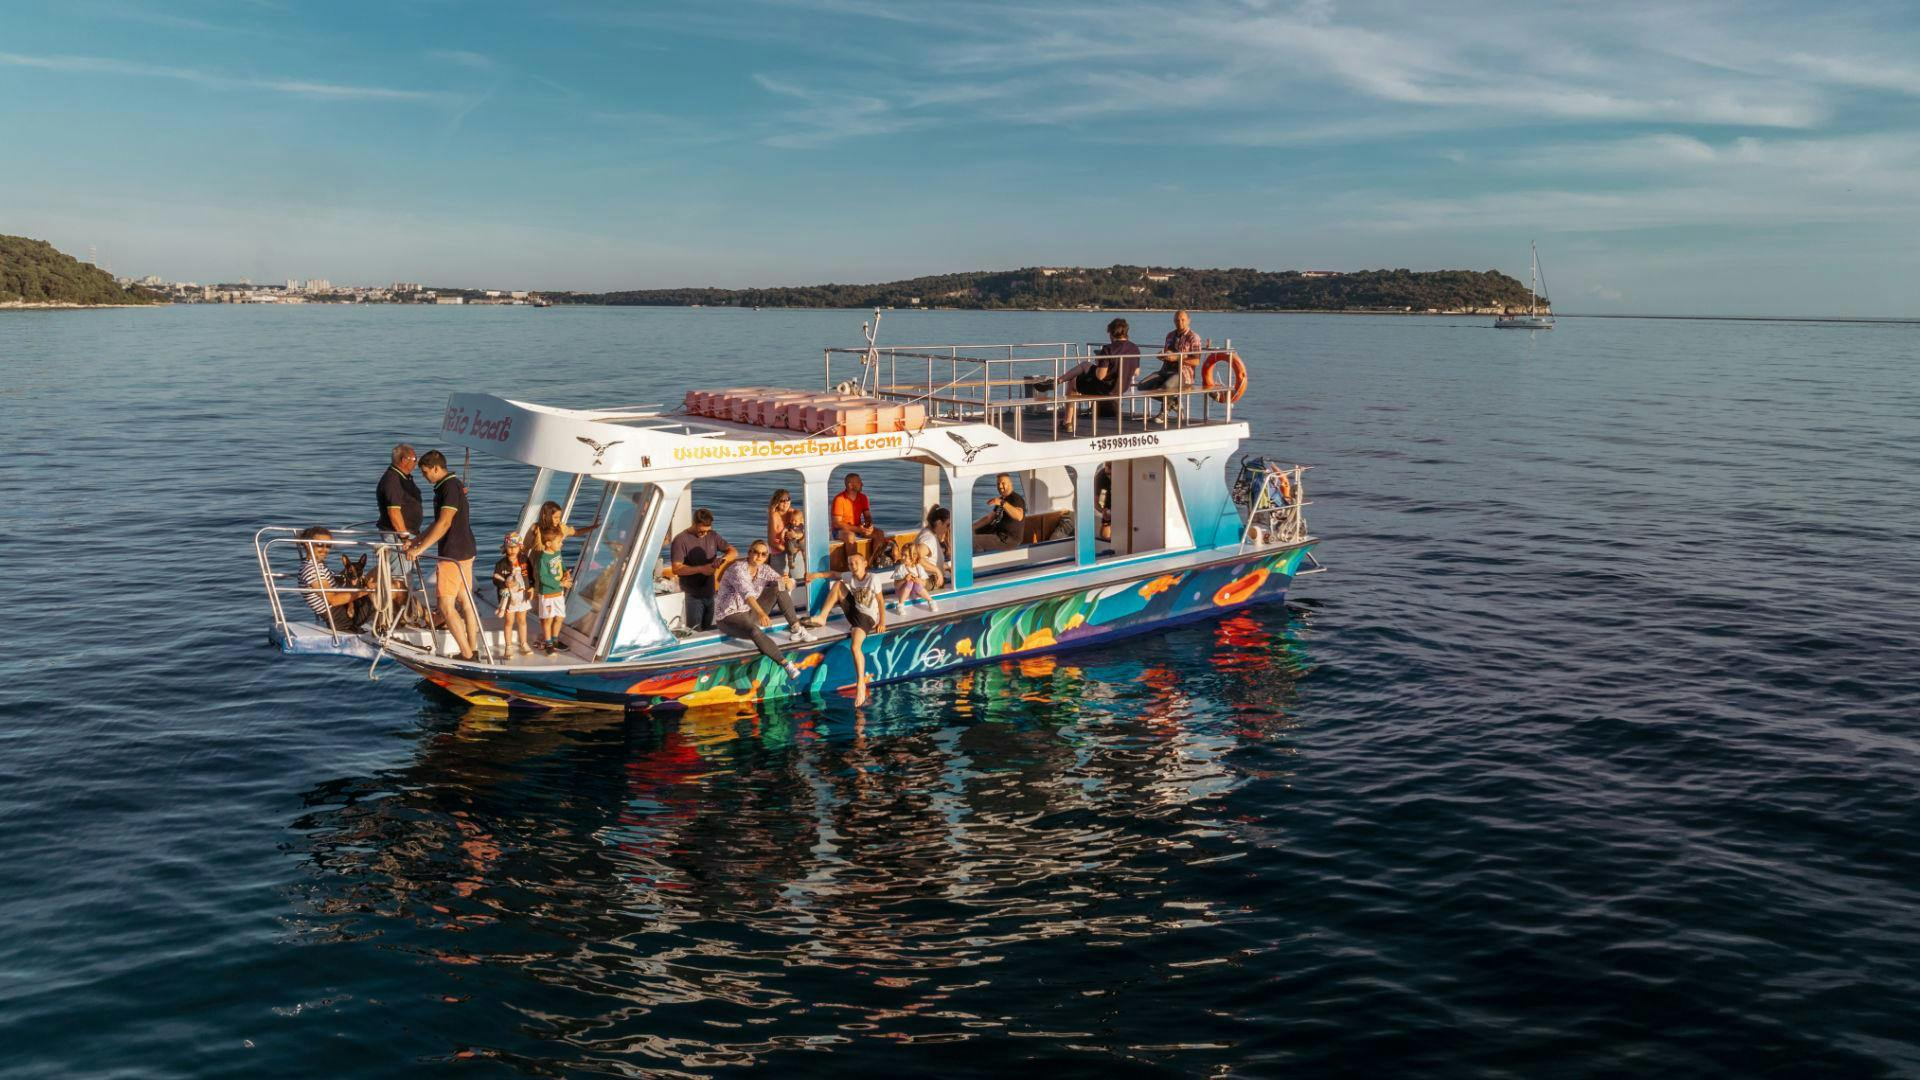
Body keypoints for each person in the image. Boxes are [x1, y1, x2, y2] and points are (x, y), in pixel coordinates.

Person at [401, 450, 480, 661]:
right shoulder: (449, 486)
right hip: (466, 550)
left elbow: (445, 523)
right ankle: (472, 650)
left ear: (436, 468)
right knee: (465, 601)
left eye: (426, 472)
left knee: (445, 606)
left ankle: (466, 654)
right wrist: (417, 541)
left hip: (452, 554)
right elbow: (438, 523)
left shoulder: (448, 488)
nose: (425, 477)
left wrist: (419, 550)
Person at [714, 540, 814, 680]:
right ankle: (785, 664)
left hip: (748, 612)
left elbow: (787, 584)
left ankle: (797, 629)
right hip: (728, 617)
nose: (759, 556)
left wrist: (787, 582)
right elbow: (747, 595)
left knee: (778, 588)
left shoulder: (764, 569)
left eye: (763, 554)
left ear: (766, 556)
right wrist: (761, 613)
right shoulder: (738, 569)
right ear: (749, 553)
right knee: (755, 631)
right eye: (755, 552)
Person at [802, 549, 887, 706]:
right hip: (854, 610)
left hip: (867, 618)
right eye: (850, 563)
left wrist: (882, 621)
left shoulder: (872, 579)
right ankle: (822, 617)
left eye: (856, 563)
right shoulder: (850, 577)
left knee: (855, 647)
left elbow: (881, 601)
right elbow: (834, 575)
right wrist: (816, 575)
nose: (853, 566)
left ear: (865, 564)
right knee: (838, 585)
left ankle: (860, 684)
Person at [1057, 318, 1138, 434]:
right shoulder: (1134, 348)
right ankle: (1060, 379)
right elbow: (1136, 372)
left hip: (1106, 389)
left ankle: (1067, 422)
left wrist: (1098, 364)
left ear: (1111, 333)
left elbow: (1100, 376)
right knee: (1085, 365)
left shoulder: (1108, 349)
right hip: (1122, 387)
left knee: (1073, 382)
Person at [664, 508, 734, 631]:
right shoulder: (680, 540)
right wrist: (701, 569)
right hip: (692, 596)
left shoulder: (713, 535)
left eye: (707, 531)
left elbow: (733, 552)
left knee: (708, 631)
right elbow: (676, 569)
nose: (705, 534)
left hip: (710, 593)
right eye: (702, 531)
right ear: (694, 523)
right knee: (695, 632)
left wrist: (722, 560)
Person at [296, 526, 372, 631]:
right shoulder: (312, 570)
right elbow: (334, 600)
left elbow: (336, 582)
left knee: (378, 574)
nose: (325, 549)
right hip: (343, 620)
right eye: (319, 545)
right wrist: (368, 591)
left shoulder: (319, 566)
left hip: (344, 611)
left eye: (328, 546)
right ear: (307, 545)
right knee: (394, 588)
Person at [1138, 309, 1204, 420]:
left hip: (1183, 373)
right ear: (1174, 321)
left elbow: (1196, 361)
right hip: (1165, 370)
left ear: (1189, 321)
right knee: (1142, 386)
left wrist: (1178, 358)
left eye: (1183, 320)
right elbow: (1168, 354)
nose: (1180, 322)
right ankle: (1174, 402)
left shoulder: (1193, 337)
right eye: (1177, 320)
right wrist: (1162, 356)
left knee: (1166, 387)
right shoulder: (1170, 335)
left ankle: (1164, 412)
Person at [492, 533, 533, 659]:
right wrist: (504, 583)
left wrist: (532, 587)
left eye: (515, 546)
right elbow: (495, 579)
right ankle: (508, 646)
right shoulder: (501, 564)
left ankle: (523, 643)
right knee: (509, 621)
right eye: (509, 546)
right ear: (505, 547)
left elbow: (531, 575)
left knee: (522, 621)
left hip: (522, 596)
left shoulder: (525, 560)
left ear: (520, 547)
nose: (512, 549)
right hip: (509, 598)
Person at [531, 524, 571, 653]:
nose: (561, 544)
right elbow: (543, 578)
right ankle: (548, 643)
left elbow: (561, 564)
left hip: (558, 594)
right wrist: (561, 584)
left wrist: (565, 572)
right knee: (547, 619)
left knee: (559, 617)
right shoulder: (543, 559)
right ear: (548, 543)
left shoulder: (557, 553)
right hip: (547, 595)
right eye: (559, 542)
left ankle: (555, 640)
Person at [831, 473, 889, 553]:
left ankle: (874, 561)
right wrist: (858, 529)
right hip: (840, 531)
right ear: (850, 485)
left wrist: (869, 526)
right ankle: (852, 563)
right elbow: (837, 523)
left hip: (858, 529)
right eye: (859, 482)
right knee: (850, 536)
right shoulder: (839, 499)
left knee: (879, 533)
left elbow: (867, 516)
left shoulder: (863, 497)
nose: (862, 484)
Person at [972, 473, 1027, 551]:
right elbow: (989, 518)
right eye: (998, 484)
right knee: (968, 535)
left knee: (972, 541)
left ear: (1010, 484)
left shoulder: (1016, 499)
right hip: (997, 533)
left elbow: (1019, 516)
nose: (1000, 486)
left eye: (1003, 483)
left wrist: (1002, 503)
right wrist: (971, 527)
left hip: (1008, 540)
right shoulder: (1003, 499)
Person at [376, 444, 421, 538]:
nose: (416, 462)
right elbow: (394, 511)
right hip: (397, 535)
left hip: (410, 533)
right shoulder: (392, 480)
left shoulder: (403, 477)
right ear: (404, 460)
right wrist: (404, 537)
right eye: (415, 459)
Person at [521, 499, 598, 554]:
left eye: (559, 517)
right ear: (545, 516)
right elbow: (525, 547)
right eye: (555, 517)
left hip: (554, 565)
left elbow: (576, 532)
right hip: (538, 567)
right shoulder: (535, 528)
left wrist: (593, 527)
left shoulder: (561, 527)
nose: (558, 520)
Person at [893, 543, 941, 613]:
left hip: (915, 592)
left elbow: (924, 583)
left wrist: (919, 581)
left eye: (905, 555)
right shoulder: (900, 568)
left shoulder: (918, 567)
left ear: (913, 556)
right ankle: (900, 604)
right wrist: (904, 580)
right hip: (902, 592)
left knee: (917, 584)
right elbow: (896, 585)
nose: (902, 557)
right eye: (902, 555)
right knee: (909, 582)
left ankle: (931, 601)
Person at [766, 489, 805, 574]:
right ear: (777, 502)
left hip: (795, 550)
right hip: (779, 553)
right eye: (782, 501)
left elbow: (803, 532)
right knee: (781, 584)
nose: (786, 502)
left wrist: (796, 536)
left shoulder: (794, 512)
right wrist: (788, 551)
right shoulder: (774, 516)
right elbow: (771, 542)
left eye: (788, 499)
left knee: (800, 579)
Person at [915, 505, 952, 572]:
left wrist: (946, 567)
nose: (949, 528)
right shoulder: (928, 539)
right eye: (948, 525)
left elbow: (930, 561)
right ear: (939, 523)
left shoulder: (931, 535)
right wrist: (937, 571)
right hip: (929, 580)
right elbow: (916, 559)